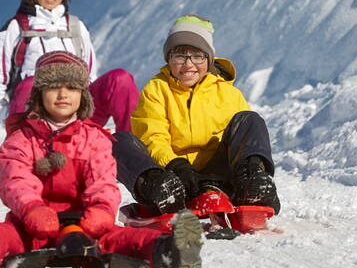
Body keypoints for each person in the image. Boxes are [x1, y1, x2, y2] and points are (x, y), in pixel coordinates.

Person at [0, 51, 203, 268]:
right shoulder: (22, 139)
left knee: (120, 238)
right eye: (54, 87)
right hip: (35, 224)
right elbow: (15, 179)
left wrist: (102, 210)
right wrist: (32, 208)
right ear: (39, 94)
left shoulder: (94, 139)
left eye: (72, 88)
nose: (63, 95)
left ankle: (170, 253)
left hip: (86, 224)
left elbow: (103, 181)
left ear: (83, 95)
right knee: (13, 236)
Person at [112, 14, 281, 216]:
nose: (188, 64)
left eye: (197, 56)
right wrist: (175, 165)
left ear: (208, 60)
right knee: (116, 141)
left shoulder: (228, 93)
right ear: (169, 59)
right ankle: (161, 191)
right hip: (174, 179)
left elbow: (242, 140)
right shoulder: (156, 90)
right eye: (180, 56)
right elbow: (152, 136)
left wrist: (250, 167)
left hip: (220, 177)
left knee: (250, 120)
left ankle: (254, 185)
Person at [0, 0, 138, 132]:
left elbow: (89, 75)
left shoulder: (75, 26)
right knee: (31, 82)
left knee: (120, 79)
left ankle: (133, 147)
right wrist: (11, 120)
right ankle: (26, 145)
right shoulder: (16, 28)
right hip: (34, 117)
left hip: (77, 111)